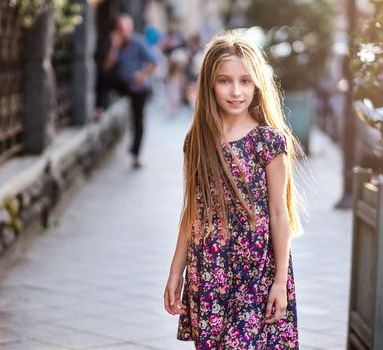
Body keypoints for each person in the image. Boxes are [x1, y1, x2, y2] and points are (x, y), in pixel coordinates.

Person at [164, 31, 303, 349]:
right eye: (225, 81)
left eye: (246, 81)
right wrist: (176, 272)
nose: (236, 91)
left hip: (255, 271)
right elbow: (192, 211)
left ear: (257, 84)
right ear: (210, 83)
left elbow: (279, 213)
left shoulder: (268, 141)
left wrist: (280, 281)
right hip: (210, 270)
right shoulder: (197, 141)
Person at [102, 14, 157, 168]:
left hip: (139, 87)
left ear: (130, 29)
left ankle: (136, 154)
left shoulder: (138, 42)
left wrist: (142, 75)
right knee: (103, 79)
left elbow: (154, 62)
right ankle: (100, 108)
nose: (121, 32)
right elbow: (107, 67)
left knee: (137, 121)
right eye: (118, 29)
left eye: (124, 29)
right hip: (122, 84)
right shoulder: (114, 44)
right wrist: (114, 47)